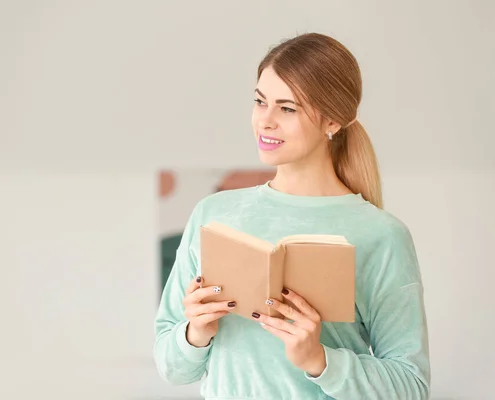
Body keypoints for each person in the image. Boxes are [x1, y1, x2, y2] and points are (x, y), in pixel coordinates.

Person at [153, 32, 430, 400]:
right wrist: (195, 332)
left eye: (287, 108)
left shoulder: (382, 235)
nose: (265, 121)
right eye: (259, 101)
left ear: (332, 121)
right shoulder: (213, 214)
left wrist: (319, 360)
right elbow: (171, 367)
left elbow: (411, 386)